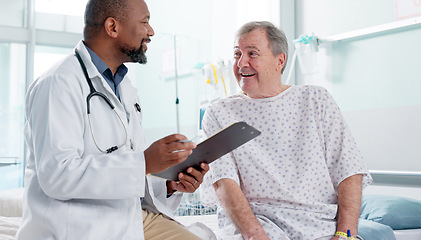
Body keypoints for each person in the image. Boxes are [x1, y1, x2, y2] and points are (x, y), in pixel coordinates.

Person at [15, 0, 209, 239]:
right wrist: (145, 163)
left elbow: (126, 170)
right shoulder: (59, 82)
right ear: (112, 27)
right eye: (145, 22)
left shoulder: (125, 88)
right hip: (77, 228)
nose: (151, 32)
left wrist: (169, 184)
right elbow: (57, 176)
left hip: (126, 221)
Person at [200, 21, 372, 240]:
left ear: (279, 61)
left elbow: (349, 171)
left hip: (319, 225)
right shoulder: (219, 113)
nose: (242, 63)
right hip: (254, 224)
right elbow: (224, 182)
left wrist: (346, 234)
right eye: (236, 54)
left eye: (252, 53)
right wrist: (255, 236)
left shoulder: (315, 100)